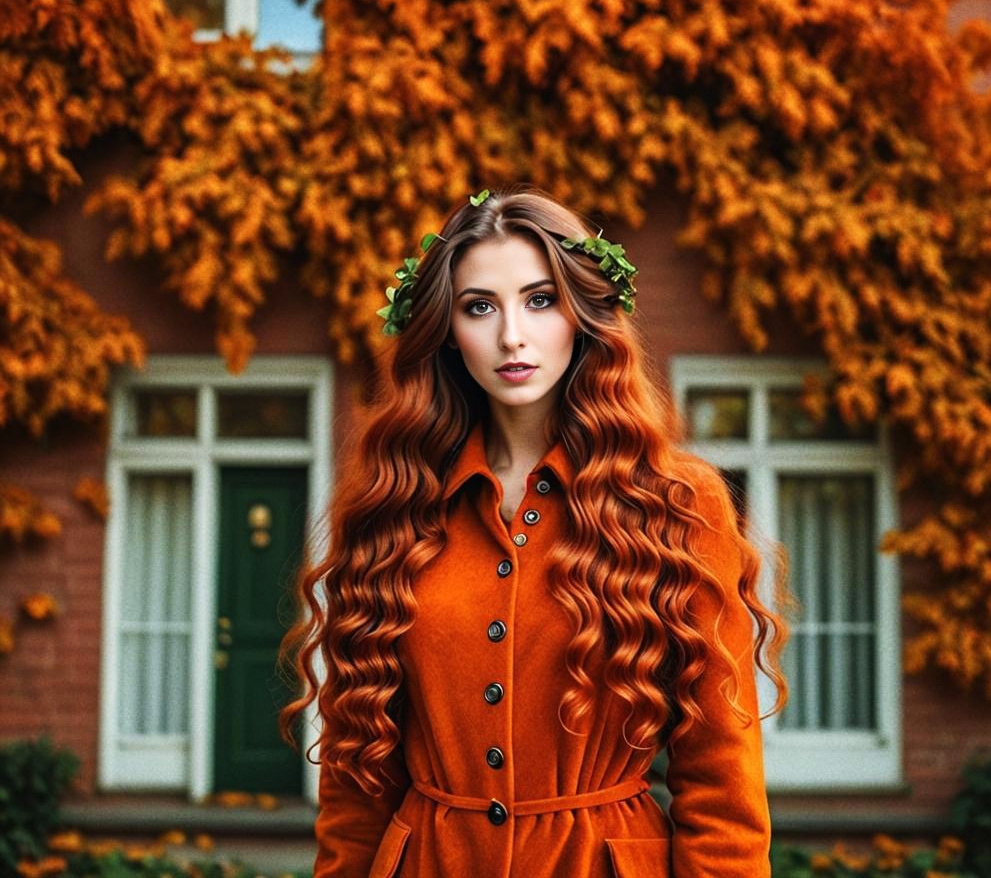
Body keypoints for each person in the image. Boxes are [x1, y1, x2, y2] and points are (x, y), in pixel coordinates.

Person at [279, 184, 789, 878]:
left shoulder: (675, 502)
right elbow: (355, 781)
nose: (510, 334)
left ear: (581, 313)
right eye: (479, 306)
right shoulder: (393, 504)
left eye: (539, 299)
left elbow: (720, 772)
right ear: (447, 331)